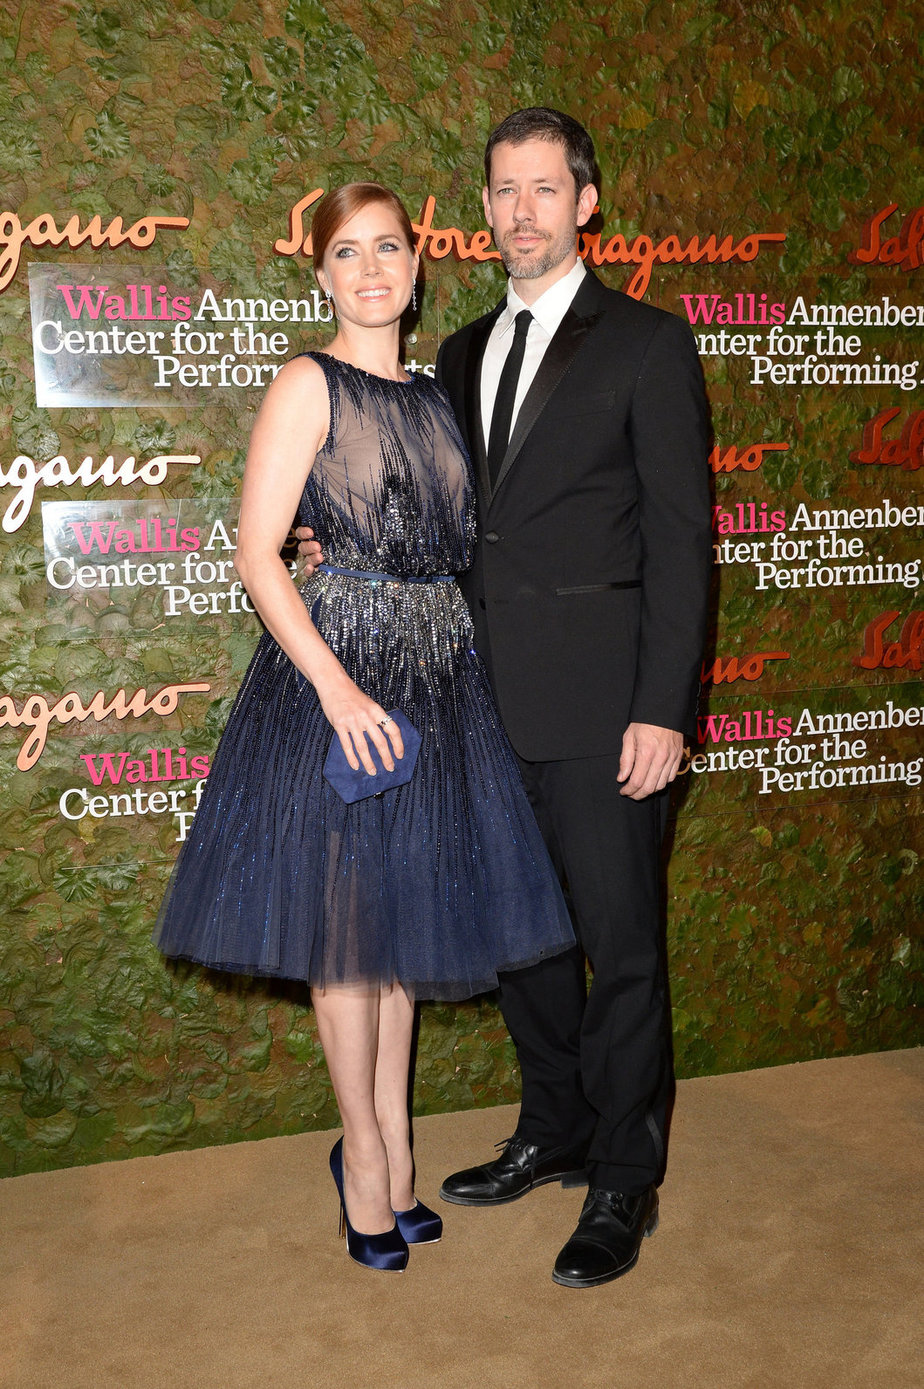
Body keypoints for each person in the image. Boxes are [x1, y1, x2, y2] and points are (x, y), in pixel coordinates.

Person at [301, 110, 711, 1288]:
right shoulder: (461, 358)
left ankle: (625, 1181)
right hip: (478, 708)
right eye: (501, 189)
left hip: (609, 709)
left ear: (586, 203)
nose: (520, 209)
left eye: (544, 188)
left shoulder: (647, 343)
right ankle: (556, 1127)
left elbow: (685, 543)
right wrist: (343, 550)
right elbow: (433, 519)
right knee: (524, 947)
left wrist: (664, 707)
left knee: (623, 952)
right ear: (480, 209)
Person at [155, 181, 576, 1274]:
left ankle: (387, 1153)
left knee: (396, 936)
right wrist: (341, 693)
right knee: (348, 940)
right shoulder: (307, 383)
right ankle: (366, 1156)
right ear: (321, 275)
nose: (372, 269)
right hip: (336, 683)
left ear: (417, 266)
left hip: (437, 682)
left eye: (389, 248)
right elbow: (258, 551)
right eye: (348, 254)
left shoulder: (440, 399)